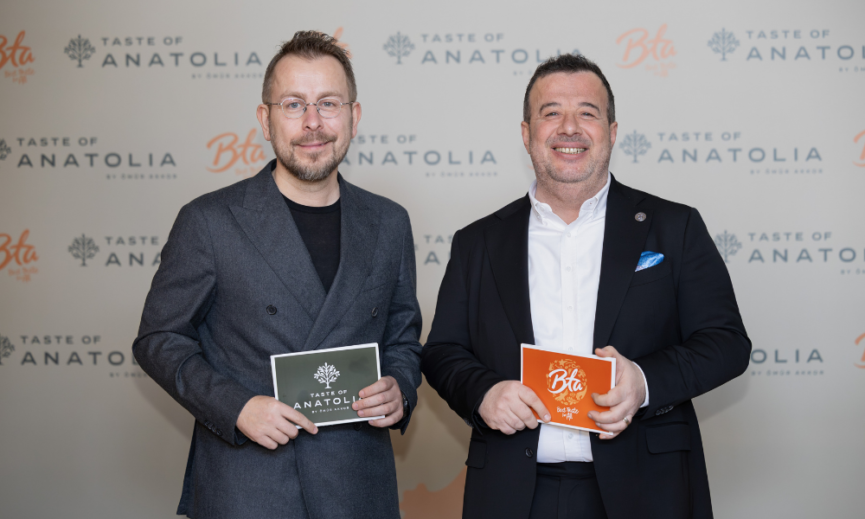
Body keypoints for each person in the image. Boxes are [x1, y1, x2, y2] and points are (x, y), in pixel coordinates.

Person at [421, 54, 750, 519]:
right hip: (512, 492)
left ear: (611, 131)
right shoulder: (478, 242)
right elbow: (442, 351)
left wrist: (643, 382)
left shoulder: (674, 227)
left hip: (647, 489)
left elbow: (726, 343)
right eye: (551, 112)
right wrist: (483, 392)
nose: (569, 128)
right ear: (526, 134)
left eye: (587, 113)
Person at [133, 31, 422, 519]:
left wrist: (400, 387)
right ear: (265, 120)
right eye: (293, 105)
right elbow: (159, 339)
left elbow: (402, 337)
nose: (313, 122)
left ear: (354, 117)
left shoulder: (389, 222)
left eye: (328, 103)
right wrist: (236, 407)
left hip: (358, 487)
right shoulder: (209, 221)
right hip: (249, 487)